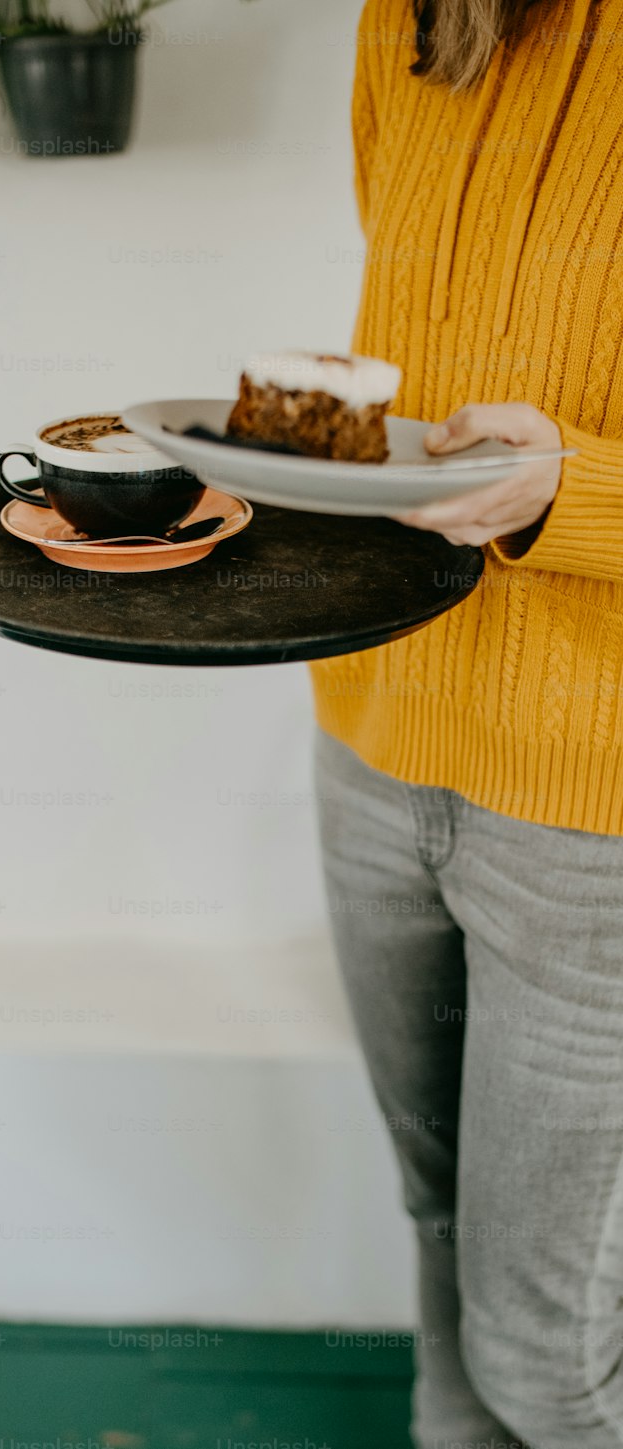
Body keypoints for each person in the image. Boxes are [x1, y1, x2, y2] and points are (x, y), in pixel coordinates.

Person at [310, 1, 623, 1446]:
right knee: (438, 1227)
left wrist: (578, 484)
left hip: (594, 802)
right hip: (378, 727)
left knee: (551, 1357)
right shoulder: (412, 21)